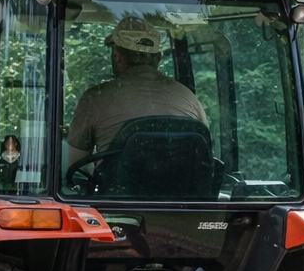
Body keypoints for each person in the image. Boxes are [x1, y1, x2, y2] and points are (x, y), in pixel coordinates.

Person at [66, 16, 206, 170]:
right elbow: (205, 155)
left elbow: (77, 165)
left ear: (117, 55)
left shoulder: (95, 97)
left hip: (116, 193)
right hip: (184, 193)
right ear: (158, 58)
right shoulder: (189, 97)